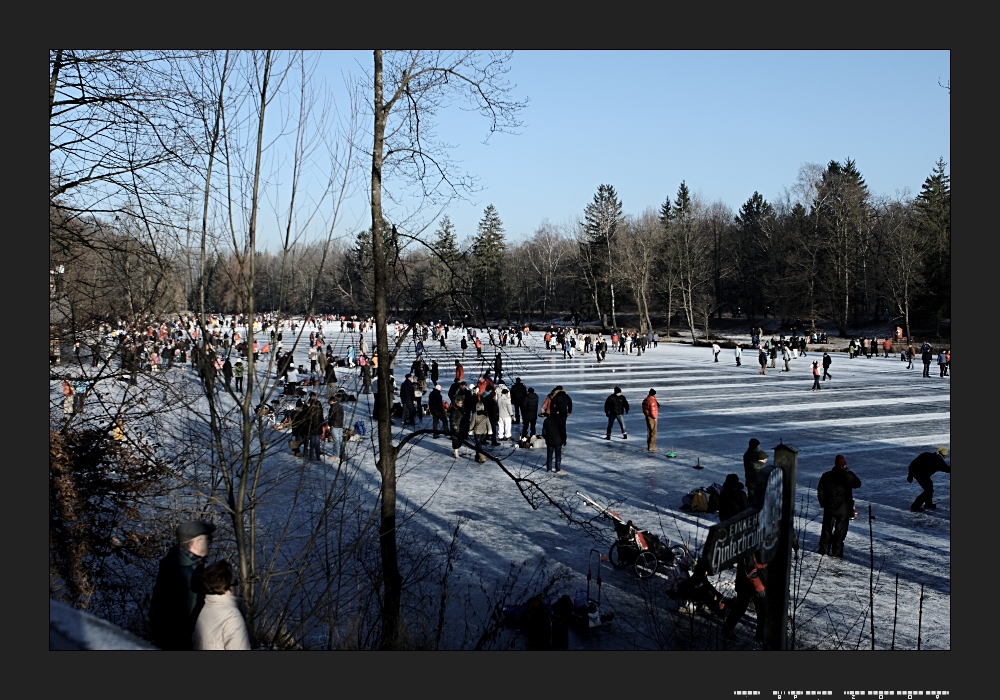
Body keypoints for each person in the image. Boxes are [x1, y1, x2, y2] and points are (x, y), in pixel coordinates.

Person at [149, 520, 216, 650]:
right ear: (196, 543)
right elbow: (191, 616)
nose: (211, 542)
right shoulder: (188, 574)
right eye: (208, 538)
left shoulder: (174, 563)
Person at [192, 560, 251, 650]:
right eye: (235, 582)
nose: (237, 586)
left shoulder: (204, 608)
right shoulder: (232, 617)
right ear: (226, 588)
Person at [816, 455, 862, 557]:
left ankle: (824, 549)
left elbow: (820, 491)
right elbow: (857, 483)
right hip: (843, 509)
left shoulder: (826, 475)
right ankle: (837, 551)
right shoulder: (847, 476)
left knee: (826, 529)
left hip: (829, 508)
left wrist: (823, 503)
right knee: (840, 532)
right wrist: (849, 472)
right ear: (844, 465)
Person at [907, 446, 950, 512]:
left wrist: (910, 475)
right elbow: (947, 469)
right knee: (928, 490)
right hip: (921, 475)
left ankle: (928, 504)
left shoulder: (926, 454)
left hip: (916, 472)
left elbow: (913, 463)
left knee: (929, 487)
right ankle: (915, 506)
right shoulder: (938, 461)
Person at [471, 398, 492, 463]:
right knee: (479, 444)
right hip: (484, 432)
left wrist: (470, 430)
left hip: (477, 432)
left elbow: (472, 423)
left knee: (478, 445)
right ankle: (478, 456)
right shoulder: (486, 414)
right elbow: (488, 423)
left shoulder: (475, 414)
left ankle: (480, 456)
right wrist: (489, 431)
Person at [449, 395, 469, 459]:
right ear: (457, 403)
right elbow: (453, 420)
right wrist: (455, 427)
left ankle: (456, 452)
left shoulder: (460, 410)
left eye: (462, 403)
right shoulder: (454, 411)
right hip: (457, 428)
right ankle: (456, 453)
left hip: (461, 427)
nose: (461, 404)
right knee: (456, 441)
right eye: (460, 403)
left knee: (459, 440)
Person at [327, 396, 344, 463]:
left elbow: (331, 417)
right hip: (340, 425)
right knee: (340, 440)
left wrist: (329, 424)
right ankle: (342, 453)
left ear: (331, 401)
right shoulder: (340, 406)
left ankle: (336, 455)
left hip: (335, 425)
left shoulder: (333, 407)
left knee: (336, 441)